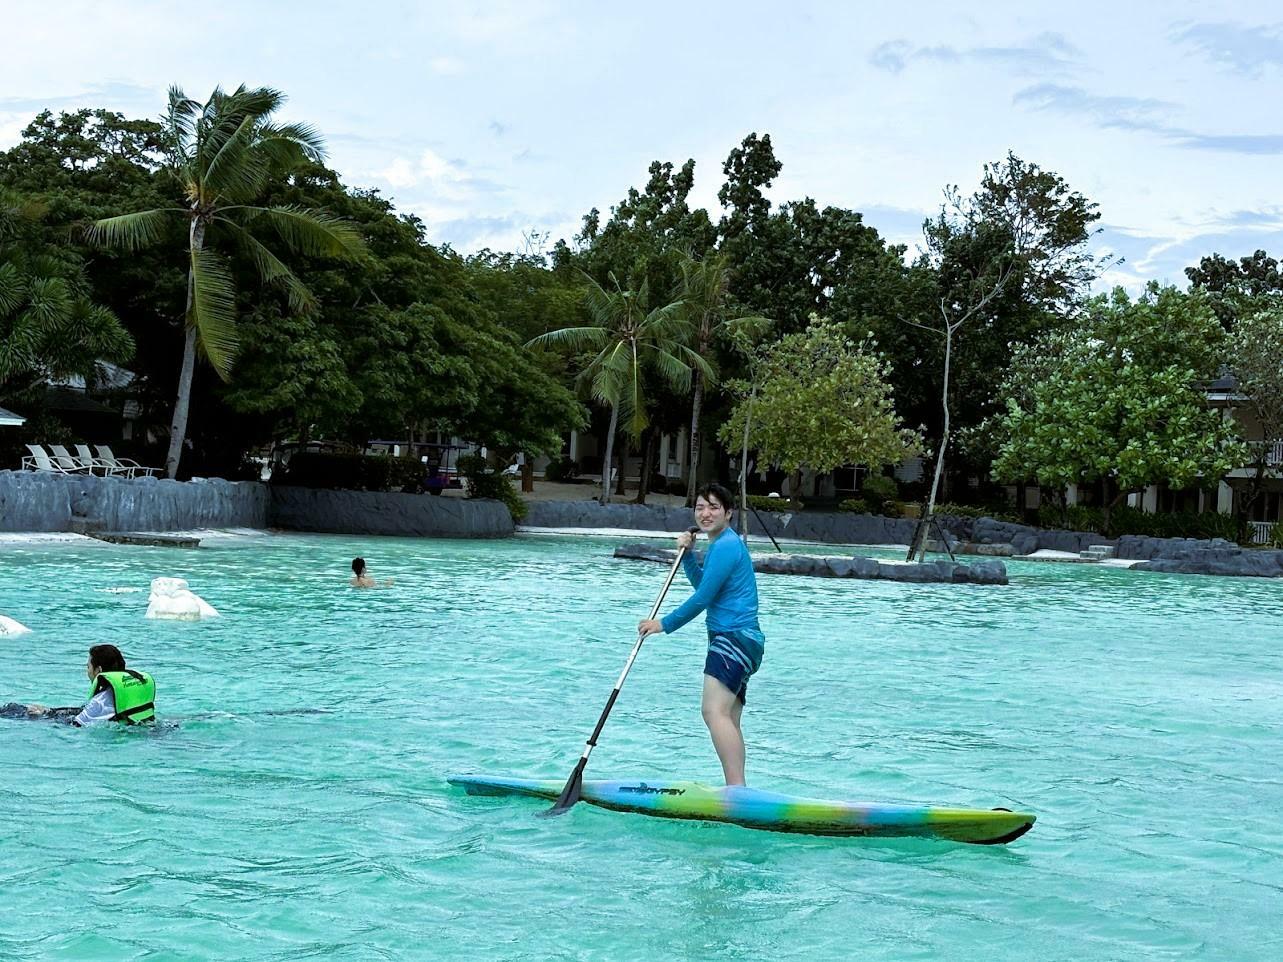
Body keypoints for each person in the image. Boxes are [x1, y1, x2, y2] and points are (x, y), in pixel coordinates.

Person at [638, 482, 765, 786]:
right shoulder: (723, 544)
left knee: (713, 712)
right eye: (700, 507)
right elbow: (707, 588)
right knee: (728, 717)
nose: (705, 513)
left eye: (714, 507)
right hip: (743, 641)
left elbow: (703, 599)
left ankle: (737, 789)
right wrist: (687, 557)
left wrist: (663, 624)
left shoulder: (726, 546)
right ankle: (738, 790)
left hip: (733, 638)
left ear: (729, 513)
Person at [11, 644, 155, 726]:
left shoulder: (100, 701)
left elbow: (76, 725)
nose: (87, 671)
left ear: (98, 670)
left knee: (15, 711)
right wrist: (49, 711)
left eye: (88, 667)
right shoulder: (129, 687)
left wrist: (43, 717)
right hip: (139, 726)